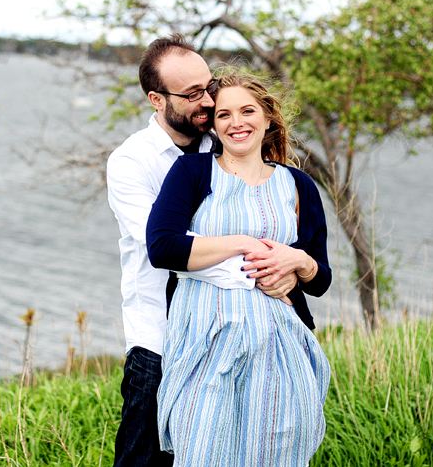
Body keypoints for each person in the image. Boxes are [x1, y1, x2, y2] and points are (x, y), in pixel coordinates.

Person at [107, 36, 300, 467]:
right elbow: (167, 250)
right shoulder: (130, 163)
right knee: (144, 459)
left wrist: (291, 266)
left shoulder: (224, 142)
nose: (209, 101)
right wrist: (259, 269)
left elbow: (271, 219)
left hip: (233, 332)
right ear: (156, 100)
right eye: (193, 94)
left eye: (208, 86)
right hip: (160, 337)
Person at [146, 68, 331, 466]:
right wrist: (244, 244)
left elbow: (320, 280)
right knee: (202, 452)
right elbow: (162, 247)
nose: (236, 122)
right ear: (213, 125)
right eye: (224, 114)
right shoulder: (193, 173)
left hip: (278, 347)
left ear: (267, 117)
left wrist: (297, 260)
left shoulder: (298, 185)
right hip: (204, 341)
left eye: (247, 111)